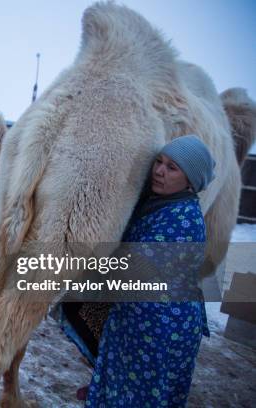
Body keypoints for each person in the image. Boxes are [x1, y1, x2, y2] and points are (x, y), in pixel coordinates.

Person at [79, 135, 216, 407]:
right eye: (159, 162)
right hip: (138, 319)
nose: (159, 171)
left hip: (162, 331)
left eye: (172, 168)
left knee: (142, 394)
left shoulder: (182, 220)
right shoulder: (161, 204)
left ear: (191, 180)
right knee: (123, 383)